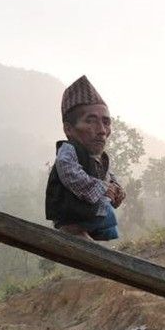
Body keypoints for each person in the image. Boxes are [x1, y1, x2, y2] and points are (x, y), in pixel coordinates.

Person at [45, 75, 126, 241]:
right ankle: (73, 229)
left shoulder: (99, 158)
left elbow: (107, 177)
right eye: (91, 121)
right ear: (69, 129)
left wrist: (116, 188)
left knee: (109, 222)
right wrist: (103, 188)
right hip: (71, 212)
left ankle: (93, 231)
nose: (102, 130)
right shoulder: (68, 151)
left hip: (90, 212)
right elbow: (71, 174)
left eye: (106, 122)